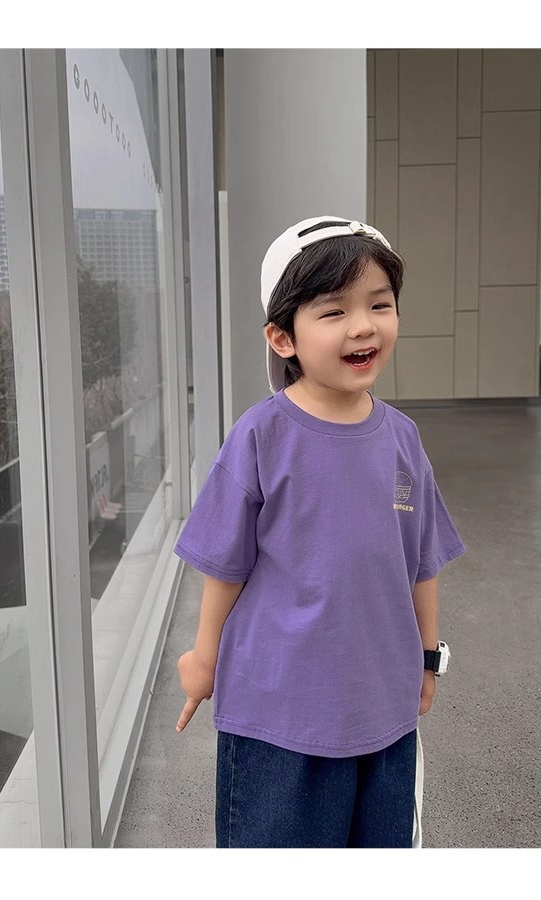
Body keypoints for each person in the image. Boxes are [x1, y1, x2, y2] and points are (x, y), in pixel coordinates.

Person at [173, 215, 466, 848]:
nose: (363, 326)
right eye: (334, 311)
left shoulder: (402, 438)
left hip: (383, 709)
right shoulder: (261, 436)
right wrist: (204, 657)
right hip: (278, 715)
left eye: (379, 305)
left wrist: (427, 659)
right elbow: (225, 566)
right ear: (283, 337)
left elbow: (421, 562)